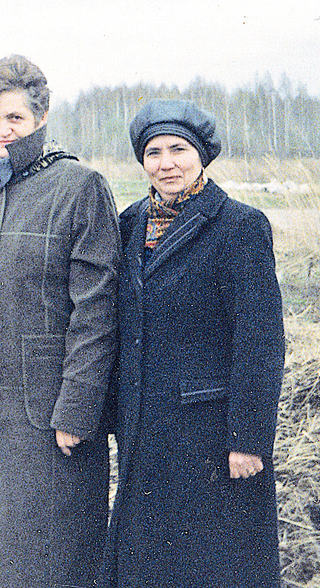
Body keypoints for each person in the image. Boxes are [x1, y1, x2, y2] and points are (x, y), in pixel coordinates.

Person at [0, 55, 119, 588]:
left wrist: (77, 409)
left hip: (45, 415)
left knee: (46, 554)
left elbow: (97, 310)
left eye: (14, 118)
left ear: (41, 118)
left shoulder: (80, 187)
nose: (2, 131)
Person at [98, 99, 284, 587]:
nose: (166, 163)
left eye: (178, 149)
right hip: (146, 433)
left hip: (212, 436)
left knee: (216, 566)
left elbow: (260, 341)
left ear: (202, 154)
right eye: (153, 152)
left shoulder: (240, 226)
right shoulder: (130, 223)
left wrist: (248, 440)